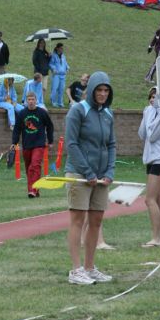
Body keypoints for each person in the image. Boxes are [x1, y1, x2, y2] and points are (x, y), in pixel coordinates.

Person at [64, 71, 116, 285]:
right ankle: (76, 270)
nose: (102, 94)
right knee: (78, 220)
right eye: (99, 90)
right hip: (79, 174)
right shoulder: (78, 110)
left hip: (101, 177)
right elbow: (72, 144)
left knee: (96, 220)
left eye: (106, 90)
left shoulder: (108, 114)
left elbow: (111, 144)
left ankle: (89, 267)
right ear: (92, 90)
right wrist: (87, 172)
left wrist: (109, 171)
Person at [138, 86, 160, 246]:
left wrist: (150, 115)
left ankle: (156, 238)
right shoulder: (151, 112)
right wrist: (147, 114)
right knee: (158, 199)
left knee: (149, 199)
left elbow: (152, 137)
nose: (152, 100)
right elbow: (142, 134)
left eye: (155, 96)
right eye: (150, 97)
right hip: (151, 159)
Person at [11, 92, 54, 197]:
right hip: (27, 145)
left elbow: (50, 126)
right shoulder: (22, 113)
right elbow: (16, 129)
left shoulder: (42, 113)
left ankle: (32, 190)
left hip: (39, 144)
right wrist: (14, 142)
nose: (31, 101)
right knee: (28, 168)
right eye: (29, 99)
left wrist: (50, 140)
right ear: (26, 101)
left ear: (36, 100)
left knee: (34, 166)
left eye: (32, 99)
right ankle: (36, 189)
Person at [49, 43, 70, 107]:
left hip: (63, 75)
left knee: (61, 89)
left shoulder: (63, 56)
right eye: (61, 48)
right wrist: (53, 69)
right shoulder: (53, 55)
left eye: (62, 48)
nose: (62, 49)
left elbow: (65, 63)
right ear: (57, 48)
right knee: (55, 88)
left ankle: (60, 102)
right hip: (56, 75)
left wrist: (67, 68)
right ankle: (53, 101)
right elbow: (50, 64)